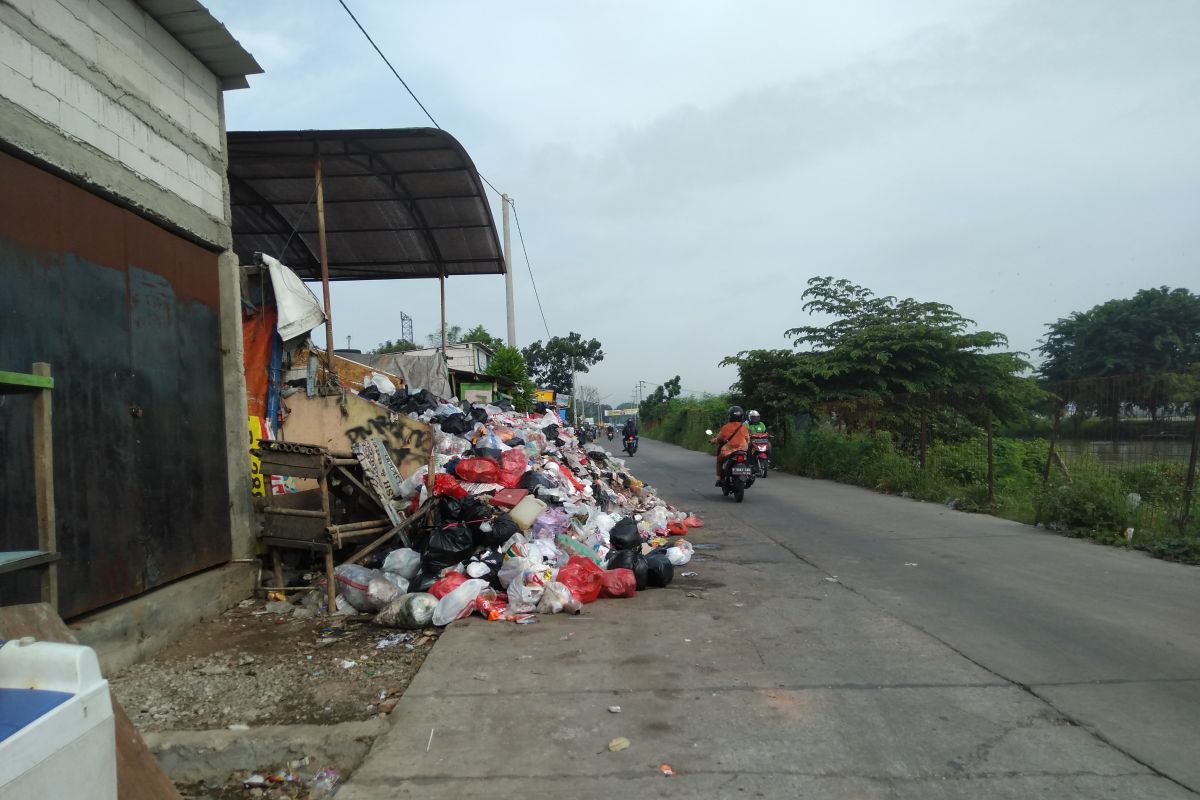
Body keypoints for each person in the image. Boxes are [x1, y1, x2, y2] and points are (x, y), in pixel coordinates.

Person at [710, 406, 750, 485]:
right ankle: (749, 474)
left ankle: (719, 478)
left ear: (730, 416)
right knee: (749, 460)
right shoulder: (744, 427)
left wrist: (713, 441)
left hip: (729, 448)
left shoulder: (725, 427)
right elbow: (748, 439)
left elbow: (719, 439)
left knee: (719, 460)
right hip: (742, 448)